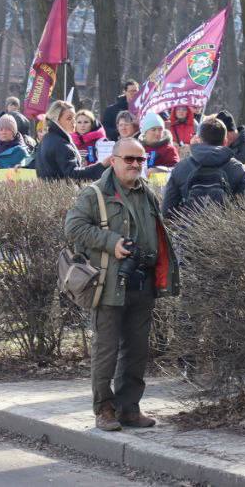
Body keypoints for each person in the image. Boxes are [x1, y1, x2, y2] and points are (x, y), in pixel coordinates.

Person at [65, 137, 180, 431]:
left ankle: (129, 408)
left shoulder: (147, 193)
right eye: (128, 159)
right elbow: (74, 227)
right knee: (106, 349)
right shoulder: (94, 194)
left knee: (138, 349)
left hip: (142, 282)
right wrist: (112, 242)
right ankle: (104, 409)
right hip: (108, 283)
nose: (134, 165)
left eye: (140, 160)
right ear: (113, 160)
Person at [161, 117, 245, 221]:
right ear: (225, 142)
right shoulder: (237, 168)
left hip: (189, 234)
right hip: (226, 235)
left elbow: (167, 212)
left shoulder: (181, 168)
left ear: (198, 140)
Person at [35, 101, 106, 182]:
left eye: (74, 117)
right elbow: (73, 175)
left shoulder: (47, 138)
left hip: (50, 191)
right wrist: (101, 166)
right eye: (69, 118)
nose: (74, 121)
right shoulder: (60, 143)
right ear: (56, 119)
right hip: (63, 192)